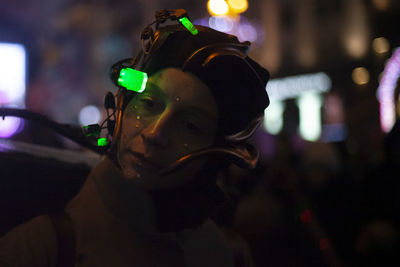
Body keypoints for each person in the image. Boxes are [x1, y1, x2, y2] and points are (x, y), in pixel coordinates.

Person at [0, 9, 270, 267]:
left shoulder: (224, 254)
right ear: (124, 104)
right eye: (149, 103)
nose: (155, 134)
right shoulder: (41, 246)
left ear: (217, 150)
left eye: (189, 125)